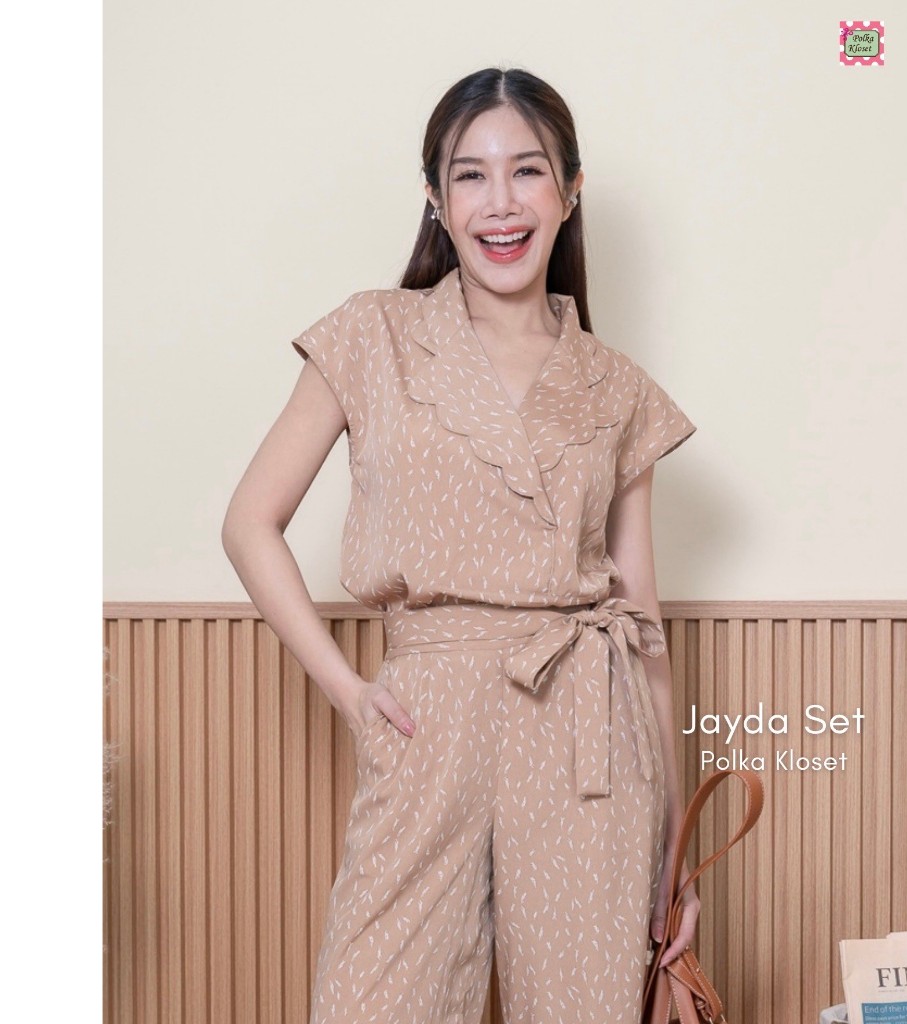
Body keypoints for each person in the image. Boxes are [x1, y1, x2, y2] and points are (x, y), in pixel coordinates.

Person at [222, 66, 701, 1024]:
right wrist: (350, 692)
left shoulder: (617, 388)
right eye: (471, 175)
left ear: (569, 190)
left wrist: (677, 860)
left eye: (527, 171)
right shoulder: (374, 334)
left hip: (588, 733)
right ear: (436, 200)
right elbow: (249, 524)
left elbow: (642, 624)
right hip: (427, 718)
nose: (501, 202)